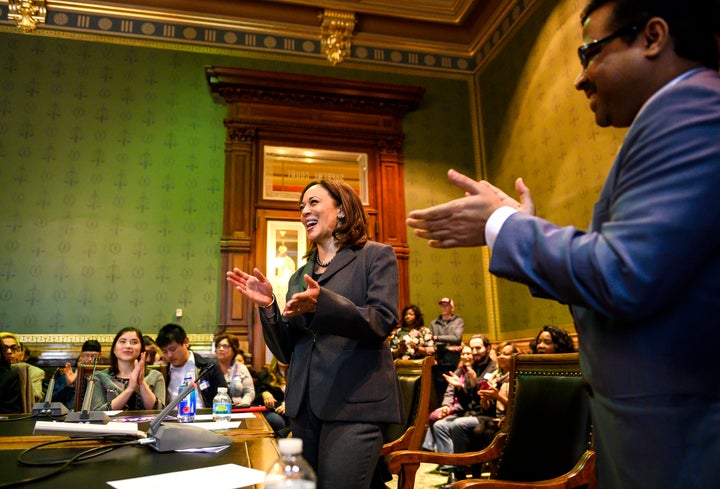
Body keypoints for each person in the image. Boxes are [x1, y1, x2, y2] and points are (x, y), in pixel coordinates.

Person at [406, 1, 720, 487]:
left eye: (589, 53)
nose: (580, 79)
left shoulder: (691, 113)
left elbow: (622, 276)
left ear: (653, 37)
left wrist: (505, 226)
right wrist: (521, 226)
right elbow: (634, 278)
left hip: (685, 444)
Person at [226, 179, 402, 489]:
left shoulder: (374, 256)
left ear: (342, 210)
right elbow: (286, 350)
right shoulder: (299, 276)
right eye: (301, 207)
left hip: (355, 405)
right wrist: (268, 306)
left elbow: (381, 321)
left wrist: (323, 304)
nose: (305, 211)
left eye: (314, 203)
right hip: (304, 408)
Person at [90, 327, 165, 411]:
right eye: (122, 341)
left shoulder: (155, 376)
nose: (128, 346)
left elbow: (160, 411)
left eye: (134, 342)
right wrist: (130, 389)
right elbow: (96, 413)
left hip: (146, 424)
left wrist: (142, 383)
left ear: (141, 349)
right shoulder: (99, 377)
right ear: (114, 349)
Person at [156, 323, 226, 408]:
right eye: (165, 352)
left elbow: (224, 399)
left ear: (185, 342)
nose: (169, 355)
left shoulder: (208, 367)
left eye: (172, 349)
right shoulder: (163, 372)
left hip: (205, 417)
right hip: (172, 418)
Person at [428, 298, 465, 405]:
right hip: (439, 362)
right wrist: (448, 347)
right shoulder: (433, 323)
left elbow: (456, 338)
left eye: (446, 305)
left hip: (454, 361)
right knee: (440, 391)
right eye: (442, 305)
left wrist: (436, 337)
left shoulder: (458, 321)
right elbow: (430, 342)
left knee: (453, 389)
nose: (444, 307)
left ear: (452, 307)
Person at [52, 339, 103, 410]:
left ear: (100, 356)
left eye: (94, 356)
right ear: (81, 355)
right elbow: (53, 401)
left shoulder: (104, 375)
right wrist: (68, 385)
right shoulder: (70, 373)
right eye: (87, 355)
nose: (90, 359)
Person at [0, 332, 44, 402]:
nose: (9, 352)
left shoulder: (34, 372)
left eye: (13, 348)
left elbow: (36, 397)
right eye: (4, 348)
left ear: (21, 354)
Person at [214, 333, 255, 407]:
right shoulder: (210, 368)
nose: (221, 349)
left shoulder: (241, 368)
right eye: (218, 346)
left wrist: (243, 404)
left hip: (238, 408)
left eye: (225, 346)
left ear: (234, 349)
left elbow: (249, 392)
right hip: (214, 408)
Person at [254, 357, 290, 436]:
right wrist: (264, 393)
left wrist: (289, 404)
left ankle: (280, 436)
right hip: (273, 410)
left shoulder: (297, 375)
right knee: (276, 421)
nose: (283, 357)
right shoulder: (265, 374)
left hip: (291, 410)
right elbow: (255, 395)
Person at [0, 347, 23, 414]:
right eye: (6, 348)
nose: (9, 352)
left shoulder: (9, 375)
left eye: (13, 348)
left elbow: (10, 413)